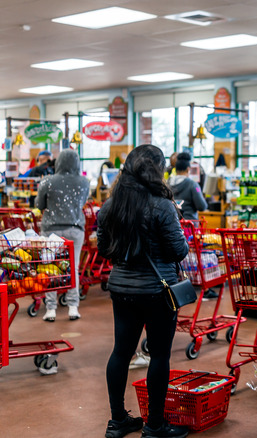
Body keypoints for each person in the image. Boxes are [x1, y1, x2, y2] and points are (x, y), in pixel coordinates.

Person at [98, 144, 190, 438]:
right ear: (158, 170)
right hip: (157, 292)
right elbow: (178, 251)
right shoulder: (162, 205)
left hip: (121, 289)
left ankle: (117, 421)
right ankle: (154, 426)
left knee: (121, 353)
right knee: (160, 355)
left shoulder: (110, 206)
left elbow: (103, 249)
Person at [35, 149, 90, 325]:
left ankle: (50, 309)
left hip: (51, 229)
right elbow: (81, 203)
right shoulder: (84, 182)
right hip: (75, 229)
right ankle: (73, 306)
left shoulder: (47, 181)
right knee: (73, 267)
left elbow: (39, 204)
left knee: (50, 267)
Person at [168, 152, 207, 221]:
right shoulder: (193, 185)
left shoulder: (167, 183)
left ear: (176, 169)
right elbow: (201, 206)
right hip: (189, 225)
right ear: (188, 169)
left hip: (172, 223)